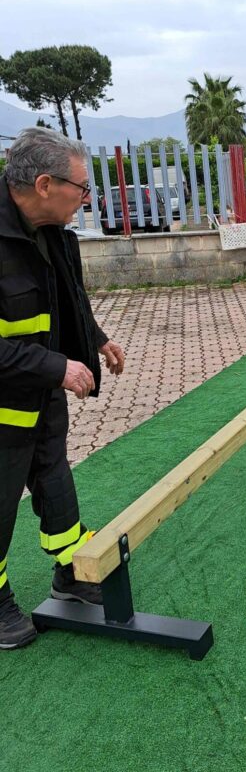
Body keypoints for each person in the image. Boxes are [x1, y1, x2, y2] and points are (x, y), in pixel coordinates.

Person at [0, 127, 125, 650]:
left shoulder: (53, 232)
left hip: (41, 387)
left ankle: (70, 571)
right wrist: (56, 367)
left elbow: (67, 297)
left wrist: (94, 339)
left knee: (53, 474)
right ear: (45, 184)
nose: (87, 198)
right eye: (82, 187)